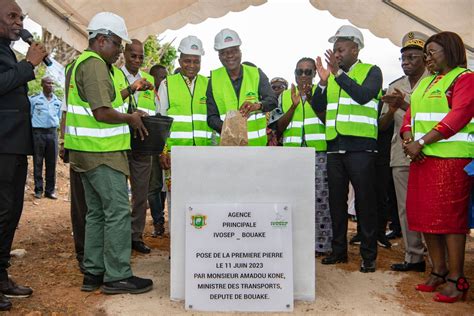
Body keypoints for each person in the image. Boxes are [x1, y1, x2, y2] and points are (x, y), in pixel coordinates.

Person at [64, 11, 153, 294]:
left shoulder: (93, 64)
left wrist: (129, 91)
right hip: (102, 152)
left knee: (97, 214)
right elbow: (102, 112)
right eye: (117, 44)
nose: (119, 52)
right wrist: (131, 118)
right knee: (116, 211)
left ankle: (94, 272)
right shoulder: (93, 65)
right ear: (101, 40)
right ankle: (117, 275)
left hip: (88, 153)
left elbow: (108, 99)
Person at [401, 31, 473, 303]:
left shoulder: (465, 78)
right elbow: (410, 116)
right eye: (427, 53)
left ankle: (456, 278)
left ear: (451, 51)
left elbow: (459, 116)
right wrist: (410, 141)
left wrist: (420, 142)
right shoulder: (425, 82)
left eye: (433, 52)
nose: (428, 57)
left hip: (451, 160)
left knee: (450, 221)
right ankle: (439, 271)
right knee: (425, 217)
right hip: (423, 158)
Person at [312, 25, 382, 273]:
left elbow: (364, 96)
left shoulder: (371, 71)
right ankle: (339, 251)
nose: (336, 54)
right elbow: (318, 106)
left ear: (355, 48)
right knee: (336, 202)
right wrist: (322, 83)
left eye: (341, 49)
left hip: (361, 147)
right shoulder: (331, 76)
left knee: (365, 201)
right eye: (334, 49)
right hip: (334, 145)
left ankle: (368, 255)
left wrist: (338, 75)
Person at [0, 0, 48, 310]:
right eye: (12, 16)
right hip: (2, 145)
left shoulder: (7, 50)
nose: (19, 22)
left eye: (22, 16)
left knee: (11, 211)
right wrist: (29, 64)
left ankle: (1, 276)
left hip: (14, 145)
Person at [379, 31, 430, 272]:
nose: (406, 62)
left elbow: (433, 119)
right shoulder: (395, 86)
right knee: (405, 207)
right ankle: (414, 257)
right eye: (403, 58)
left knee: (430, 206)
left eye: (412, 57)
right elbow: (383, 126)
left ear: (425, 57)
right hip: (401, 154)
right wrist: (390, 109)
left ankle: (437, 256)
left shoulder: (435, 82)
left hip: (430, 152)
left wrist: (403, 105)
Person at [274, 57, 332, 256]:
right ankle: (291, 243)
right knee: (291, 200)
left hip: (318, 153)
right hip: (292, 154)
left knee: (320, 200)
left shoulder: (323, 92)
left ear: (315, 74)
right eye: (300, 71)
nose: (304, 76)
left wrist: (312, 99)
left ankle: (322, 245)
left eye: (309, 71)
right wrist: (293, 105)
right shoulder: (283, 96)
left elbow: (328, 121)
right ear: (295, 73)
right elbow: (278, 128)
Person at [157, 35, 211, 229]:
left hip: (204, 155)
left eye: (196, 61)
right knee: (177, 201)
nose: (192, 65)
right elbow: (160, 122)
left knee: (203, 199)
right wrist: (162, 152)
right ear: (180, 61)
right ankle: (177, 248)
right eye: (187, 60)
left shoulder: (208, 84)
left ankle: (200, 244)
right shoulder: (167, 84)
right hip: (175, 156)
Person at [116, 39, 156, 254]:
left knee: (141, 193)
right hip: (118, 141)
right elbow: (110, 103)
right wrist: (131, 90)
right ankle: (119, 235)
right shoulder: (113, 75)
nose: (137, 60)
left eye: (141, 56)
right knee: (118, 194)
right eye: (134, 55)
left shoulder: (149, 79)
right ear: (124, 53)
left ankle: (135, 236)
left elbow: (155, 108)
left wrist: (147, 115)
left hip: (143, 143)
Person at [206, 28, 277, 145]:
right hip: (228, 146)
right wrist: (230, 130)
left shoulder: (256, 73)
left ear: (240, 52)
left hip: (256, 147)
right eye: (224, 52)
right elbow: (211, 117)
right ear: (219, 56)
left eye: (233, 51)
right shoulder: (214, 79)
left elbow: (272, 101)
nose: (229, 56)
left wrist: (257, 106)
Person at [30, 76, 61, 199]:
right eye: (48, 83)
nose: (51, 85)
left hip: (52, 134)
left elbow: (59, 117)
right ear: (42, 84)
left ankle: (50, 190)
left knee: (51, 163)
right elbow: (30, 114)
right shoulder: (34, 100)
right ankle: (38, 189)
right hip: (38, 134)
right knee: (37, 162)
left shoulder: (57, 102)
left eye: (52, 83)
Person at [148, 64, 168, 237]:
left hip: (168, 145)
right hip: (153, 147)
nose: (164, 80)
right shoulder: (145, 94)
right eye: (161, 77)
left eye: (165, 77)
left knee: (165, 186)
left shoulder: (167, 93)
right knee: (154, 186)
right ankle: (158, 222)